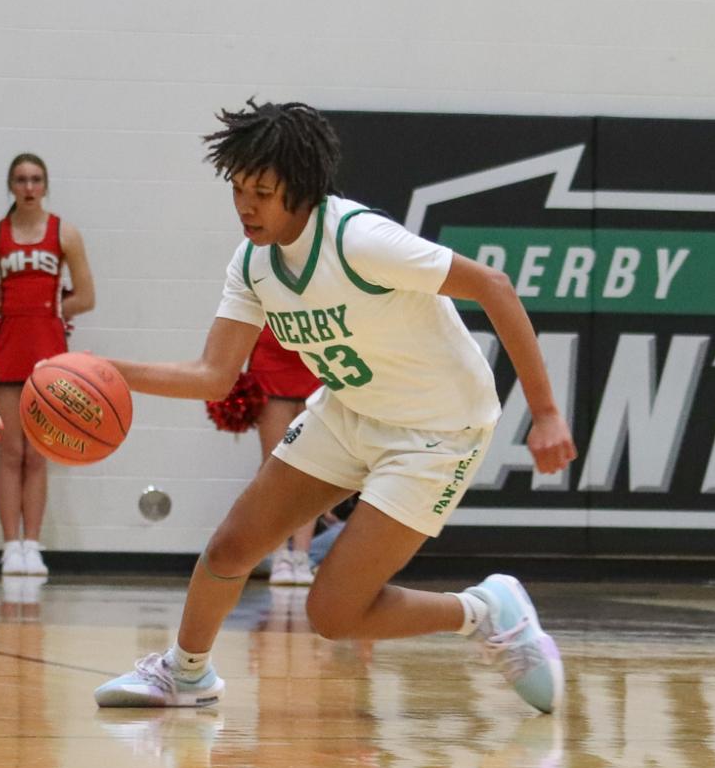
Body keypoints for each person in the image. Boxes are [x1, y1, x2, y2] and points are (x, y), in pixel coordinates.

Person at [91, 100, 577, 714]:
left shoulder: (360, 240)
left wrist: (547, 411)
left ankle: (483, 611)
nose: (245, 205)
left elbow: (493, 287)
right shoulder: (253, 265)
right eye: (238, 189)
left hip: (436, 431)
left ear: (302, 188)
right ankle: (186, 674)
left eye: (262, 192)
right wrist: (109, 372)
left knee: (333, 613)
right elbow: (215, 376)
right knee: (231, 547)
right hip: (348, 411)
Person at [0, 154, 97, 576]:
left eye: (36, 180)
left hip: (49, 348)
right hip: (6, 346)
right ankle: (10, 545)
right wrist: (12, 303)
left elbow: (86, 296)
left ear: (46, 185)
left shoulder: (66, 233)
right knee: (10, 451)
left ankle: (33, 544)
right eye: (21, 180)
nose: (28, 187)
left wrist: (51, 306)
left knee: (39, 454)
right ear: (10, 186)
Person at [248, 325, 326, 585]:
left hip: (318, 362)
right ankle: (280, 555)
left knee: (313, 466)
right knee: (275, 466)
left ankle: (301, 556)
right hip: (271, 363)